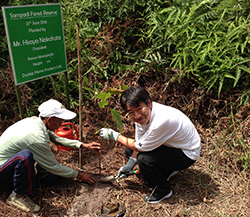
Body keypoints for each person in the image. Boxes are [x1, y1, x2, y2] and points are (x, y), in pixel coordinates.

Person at [100, 86, 201, 204]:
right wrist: (130, 164)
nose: (136, 116)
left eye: (139, 109)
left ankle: (163, 190)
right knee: (130, 151)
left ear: (149, 103)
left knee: (144, 160)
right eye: (131, 113)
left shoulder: (162, 120)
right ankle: (165, 172)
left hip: (187, 153)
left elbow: (139, 147)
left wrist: (115, 136)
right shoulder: (143, 116)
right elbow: (139, 141)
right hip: (171, 146)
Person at [0, 99, 101, 212]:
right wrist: (79, 175)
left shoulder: (35, 122)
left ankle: (35, 181)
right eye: (60, 121)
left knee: (43, 168)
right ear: (50, 119)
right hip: (2, 172)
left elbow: (55, 138)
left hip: (8, 165)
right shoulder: (36, 136)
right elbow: (53, 165)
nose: (61, 124)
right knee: (25, 156)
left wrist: (83, 145)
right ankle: (18, 196)